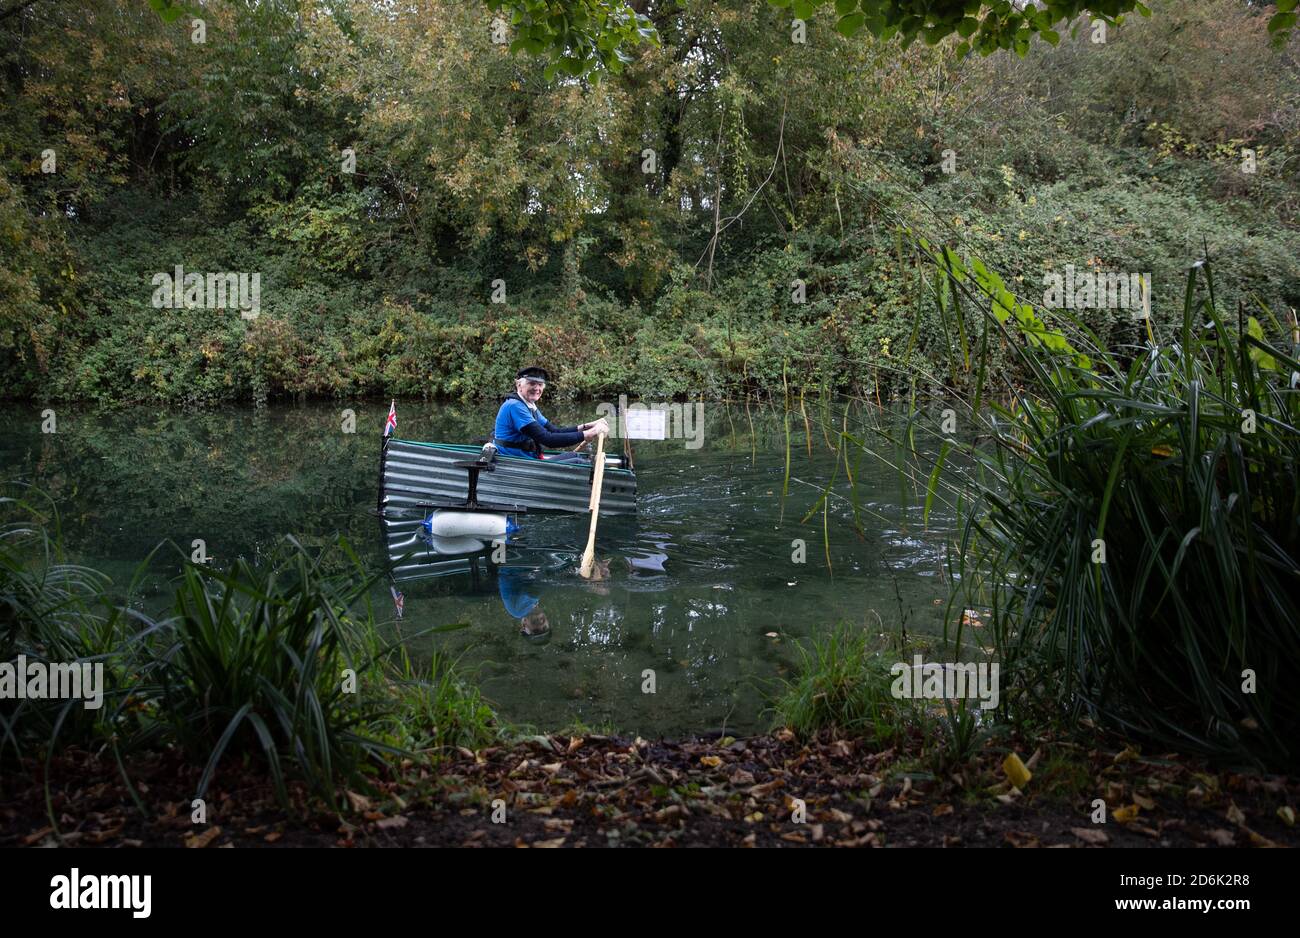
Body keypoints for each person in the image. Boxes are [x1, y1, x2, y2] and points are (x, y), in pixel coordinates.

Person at [492, 366, 609, 463]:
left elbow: (554, 431)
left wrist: (587, 426)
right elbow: (548, 439)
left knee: (576, 456)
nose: (537, 388)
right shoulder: (515, 406)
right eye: (532, 383)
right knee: (578, 463)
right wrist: (589, 433)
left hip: (527, 459)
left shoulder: (529, 405)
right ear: (519, 385)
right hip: (515, 462)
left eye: (540, 384)